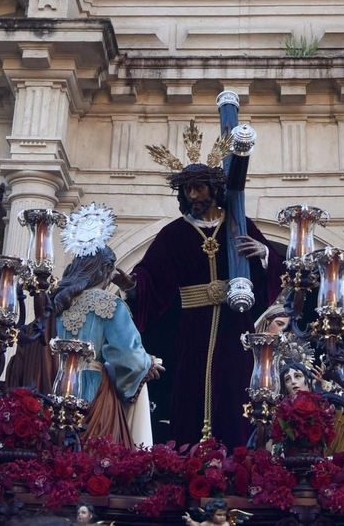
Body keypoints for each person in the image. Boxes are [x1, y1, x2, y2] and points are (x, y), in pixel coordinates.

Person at [117, 123, 284, 445]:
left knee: (236, 388)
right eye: (188, 190)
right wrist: (132, 284)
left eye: (199, 188)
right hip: (193, 327)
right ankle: (190, 460)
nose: (193, 195)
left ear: (214, 189)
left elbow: (275, 273)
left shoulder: (238, 224)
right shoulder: (174, 234)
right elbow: (152, 277)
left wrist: (264, 253)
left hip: (237, 323)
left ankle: (240, 458)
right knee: (192, 389)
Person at [50, 206, 161, 447]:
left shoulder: (55, 303)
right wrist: (148, 364)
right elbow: (129, 357)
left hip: (52, 388)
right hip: (95, 395)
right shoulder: (109, 304)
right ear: (106, 271)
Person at [277, 362, 344, 455]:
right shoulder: (281, 418)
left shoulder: (331, 415)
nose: (293, 381)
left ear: (309, 379)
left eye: (297, 376)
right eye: (287, 379)